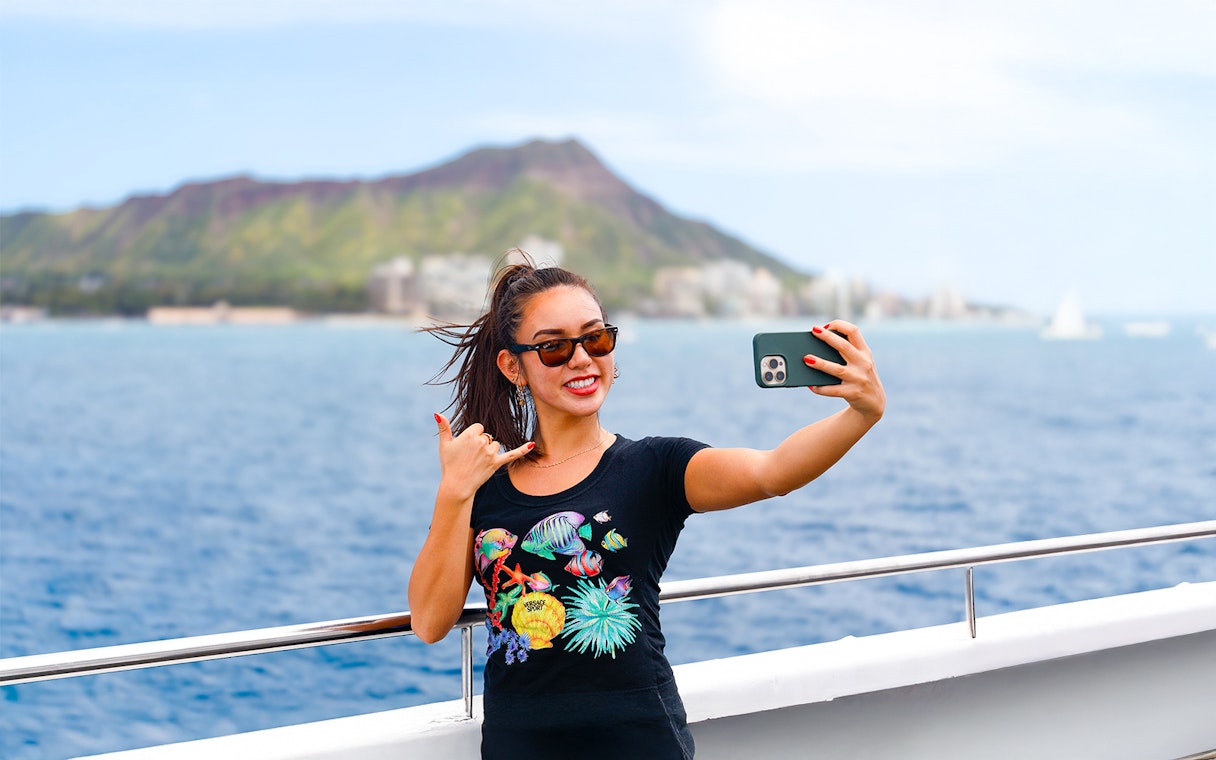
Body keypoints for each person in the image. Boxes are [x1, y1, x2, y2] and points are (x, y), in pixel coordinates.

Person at [408, 254, 885, 760]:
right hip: (517, 747)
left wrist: (863, 413)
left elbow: (772, 472)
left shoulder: (654, 466)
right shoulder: (482, 488)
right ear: (513, 366)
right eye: (553, 348)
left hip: (640, 742)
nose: (581, 359)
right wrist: (453, 491)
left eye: (595, 339)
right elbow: (430, 622)